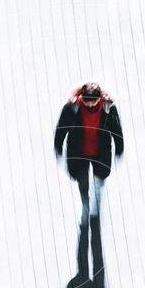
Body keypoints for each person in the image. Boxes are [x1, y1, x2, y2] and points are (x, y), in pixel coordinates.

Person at [54, 82, 124, 224]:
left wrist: (119, 147)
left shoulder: (108, 108)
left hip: (100, 150)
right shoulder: (72, 108)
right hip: (79, 151)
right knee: (82, 181)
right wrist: (58, 146)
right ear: (81, 99)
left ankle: (97, 194)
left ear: (99, 99)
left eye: (93, 102)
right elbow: (62, 127)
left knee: (100, 176)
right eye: (87, 102)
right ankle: (85, 202)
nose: (90, 105)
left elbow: (116, 129)